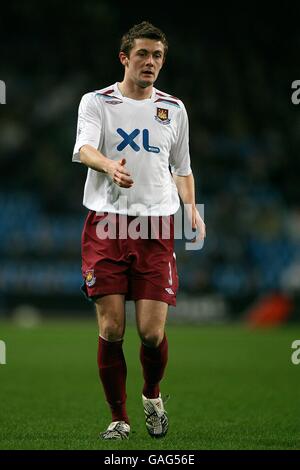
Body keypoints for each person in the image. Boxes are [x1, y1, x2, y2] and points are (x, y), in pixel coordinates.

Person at [72, 21, 205, 440]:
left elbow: (181, 168)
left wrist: (191, 209)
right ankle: (119, 418)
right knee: (112, 329)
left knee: (151, 333)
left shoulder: (174, 109)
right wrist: (109, 165)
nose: (151, 62)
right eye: (143, 54)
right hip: (106, 224)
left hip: (157, 226)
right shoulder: (97, 102)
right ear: (125, 58)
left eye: (158, 55)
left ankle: (151, 395)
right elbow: (83, 148)